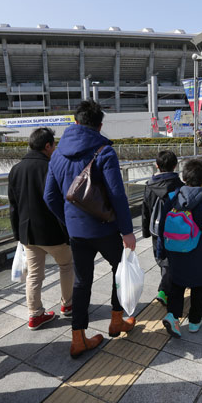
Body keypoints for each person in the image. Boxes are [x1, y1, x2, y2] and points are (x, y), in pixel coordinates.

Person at [44, 100, 136, 358]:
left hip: (76, 233)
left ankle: (78, 338)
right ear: (100, 125)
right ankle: (116, 321)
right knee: (120, 271)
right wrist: (127, 230)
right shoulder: (104, 151)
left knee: (82, 282)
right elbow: (117, 195)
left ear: (75, 122)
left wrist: (67, 221)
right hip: (105, 229)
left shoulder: (58, 154)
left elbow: (49, 196)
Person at [8, 127, 74, 330]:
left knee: (34, 274)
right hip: (53, 231)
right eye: (53, 144)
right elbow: (62, 200)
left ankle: (35, 315)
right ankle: (67, 305)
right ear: (47, 146)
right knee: (67, 265)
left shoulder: (16, 169)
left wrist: (18, 234)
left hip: (28, 233)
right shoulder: (52, 167)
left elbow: (13, 205)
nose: (54, 148)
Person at [157, 159, 202, 337]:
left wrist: (161, 252)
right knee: (199, 287)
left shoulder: (172, 198)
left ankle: (173, 316)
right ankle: (195, 321)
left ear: (184, 178)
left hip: (174, 251)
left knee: (177, 284)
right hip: (199, 255)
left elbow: (162, 228)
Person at [141, 150, 184, 306]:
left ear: (157, 166)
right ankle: (165, 289)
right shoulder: (180, 186)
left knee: (161, 258)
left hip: (156, 230)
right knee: (172, 259)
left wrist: (145, 230)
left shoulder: (149, 186)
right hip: (175, 230)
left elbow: (145, 209)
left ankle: (165, 288)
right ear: (175, 165)